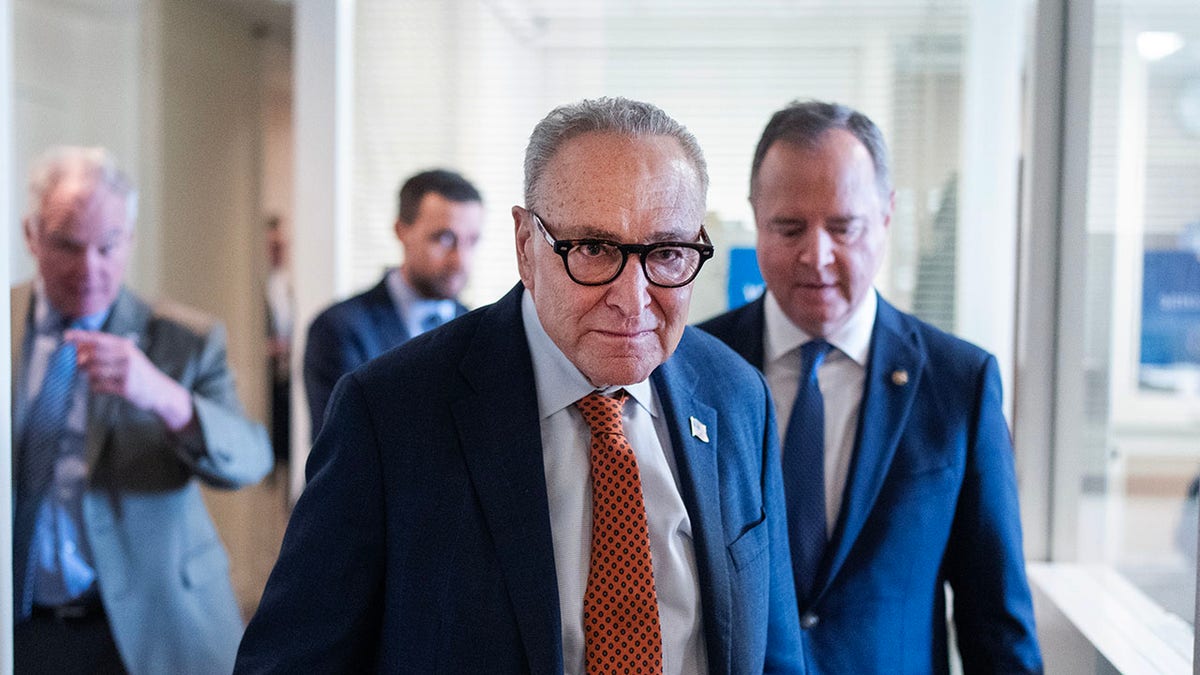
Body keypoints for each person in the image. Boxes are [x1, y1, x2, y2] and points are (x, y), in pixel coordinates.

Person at [236, 97, 803, 673]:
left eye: (668, 253)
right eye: (593, 248)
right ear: (526, 245)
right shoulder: (390, 413)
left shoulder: (736, 396)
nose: (633, 300)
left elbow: (775, 652)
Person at [698, 101, 1042, 673]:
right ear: (756, 218)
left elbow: (995, 621)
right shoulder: (693, 371)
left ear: (886, 217)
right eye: (789, 227)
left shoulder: (960, 384)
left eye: (843, 226)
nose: (817, 254)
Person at [11, 146, 273, 674]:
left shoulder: (184, 339)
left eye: (108, 247)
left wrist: (162, 395)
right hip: (21, 627)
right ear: (32, 236)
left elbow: (250, 459)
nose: (90, 268)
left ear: (129, 240)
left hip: (153, 628)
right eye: (67, 245)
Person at [303, 169, 484, 436]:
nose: (460, 261)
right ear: (401, 231)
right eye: (444, 239)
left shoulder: (481, 331)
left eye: (471, 241)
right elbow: (343, 447)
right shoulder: (340, 329)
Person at [265, 215, 293, 466]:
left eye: (282, 246)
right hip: (264, 380)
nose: (279, 252)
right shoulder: (256, 286)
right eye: (273, 246)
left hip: (286, 379)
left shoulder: (289, 285)